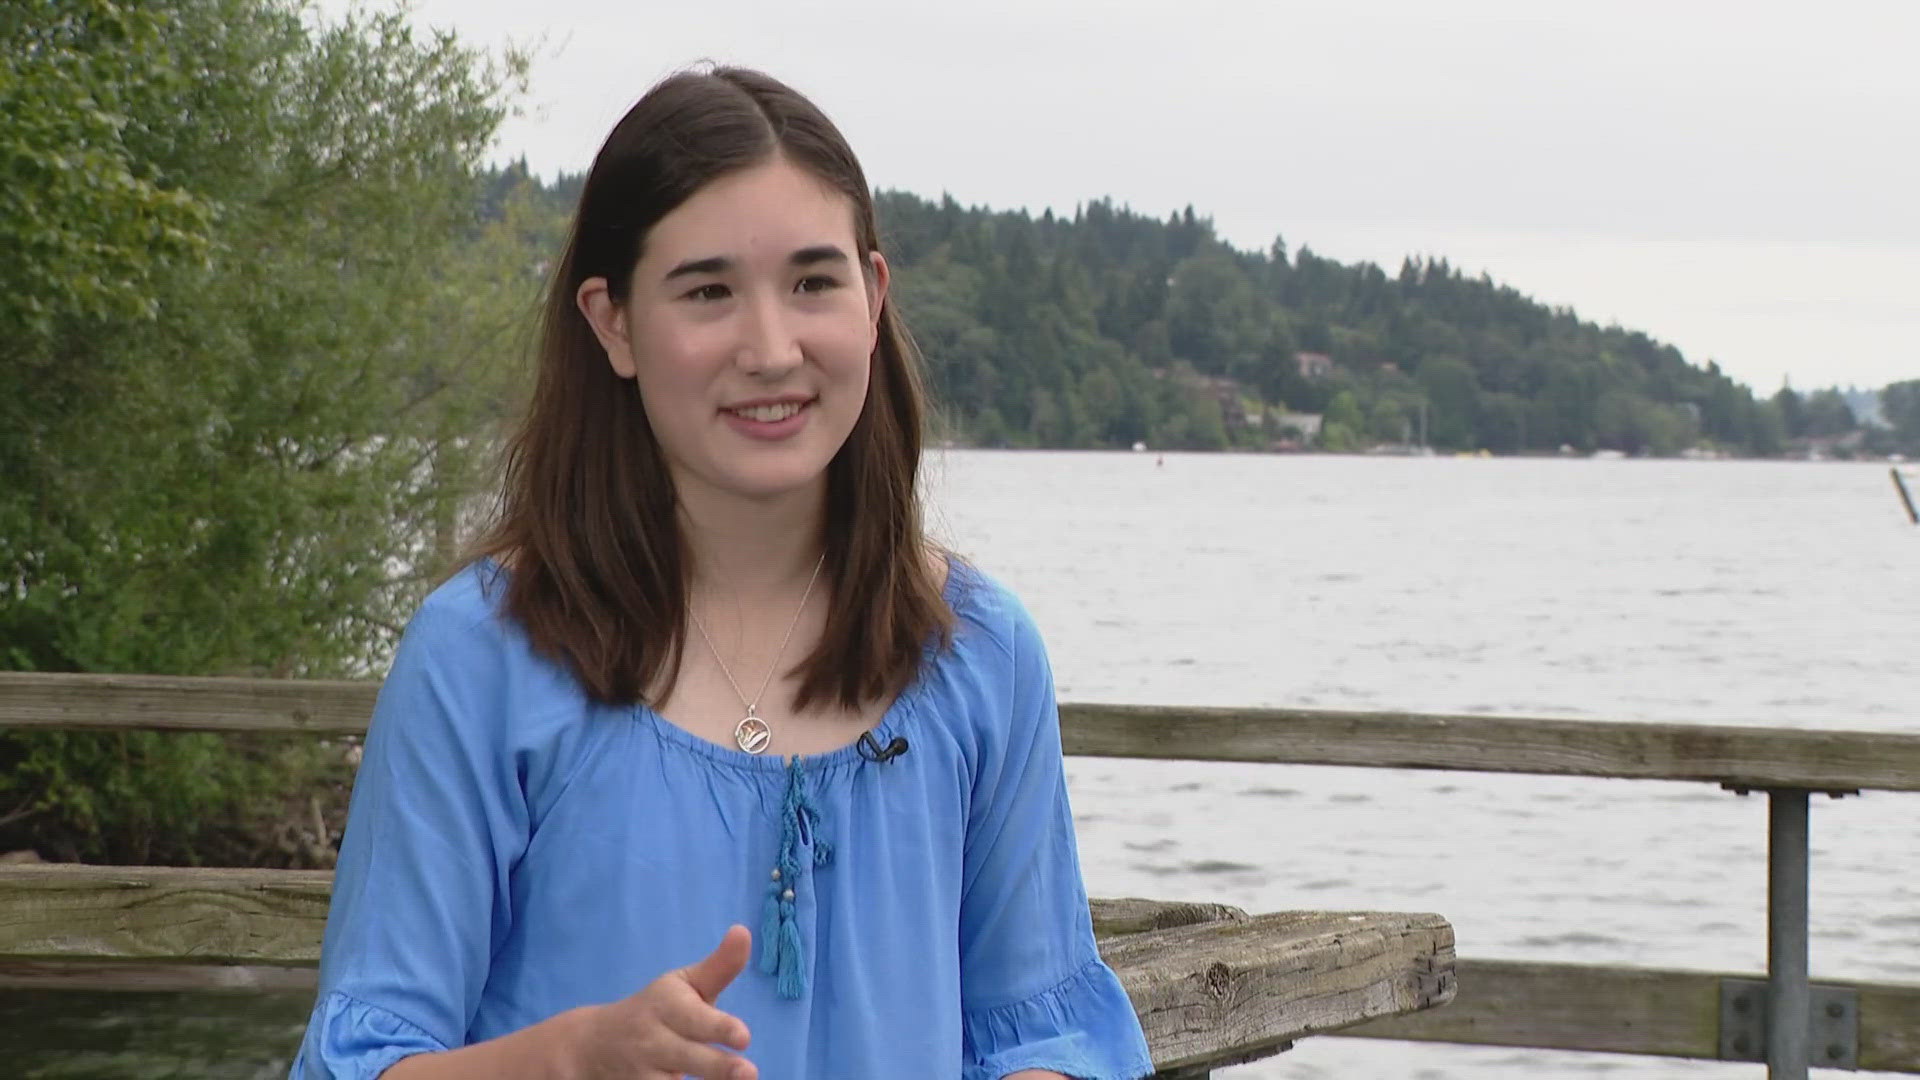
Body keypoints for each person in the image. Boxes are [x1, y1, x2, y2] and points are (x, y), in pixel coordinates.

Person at [289, 66, 1154, 1080]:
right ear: (612, 323)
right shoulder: (478, 656)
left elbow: (1041, 1034)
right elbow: (363, 1061)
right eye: (708, 292)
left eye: (813, 284)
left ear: (873, 301)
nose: (771, 348)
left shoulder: (980, 651)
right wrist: (575, 1057)